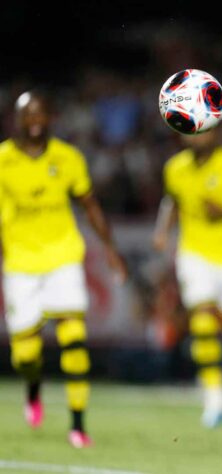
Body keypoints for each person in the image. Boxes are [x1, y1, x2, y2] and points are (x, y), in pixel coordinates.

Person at [0, 90, 127, 448]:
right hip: (21, 263)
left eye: (42, 114)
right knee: (24, 355)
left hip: (63, 257)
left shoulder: (67, 158)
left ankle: (78, 425)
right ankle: (33, 387)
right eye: (29, 114)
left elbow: (90, 205)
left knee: (74, 338)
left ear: (51, 118)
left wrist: (111, 250)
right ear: (18, 120)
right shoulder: (2, 160)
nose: (36, 121)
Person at [153, 128, 222, 427]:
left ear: (216, 134)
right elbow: (172, 200)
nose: (197, 138)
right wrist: (163, 231)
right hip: (193, 254)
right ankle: (214, 397)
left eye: (204, 132)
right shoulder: (175, 167)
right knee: (201, 320)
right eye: (192, 133)